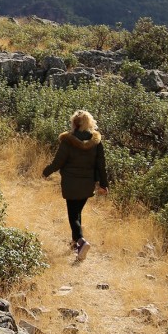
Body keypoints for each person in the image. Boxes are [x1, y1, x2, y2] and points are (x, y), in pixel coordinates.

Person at [41, 110, 108, 261]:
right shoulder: (96, 141)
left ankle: (81, 242)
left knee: (73, 216)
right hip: (87, 184)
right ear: (88, 122)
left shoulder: (68, 141)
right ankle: (75, 244)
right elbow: (101, 165)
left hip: (71, 183)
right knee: (77, 213)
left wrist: (46, 172)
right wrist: (103, 184)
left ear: (74, 123)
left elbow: (58, 162)